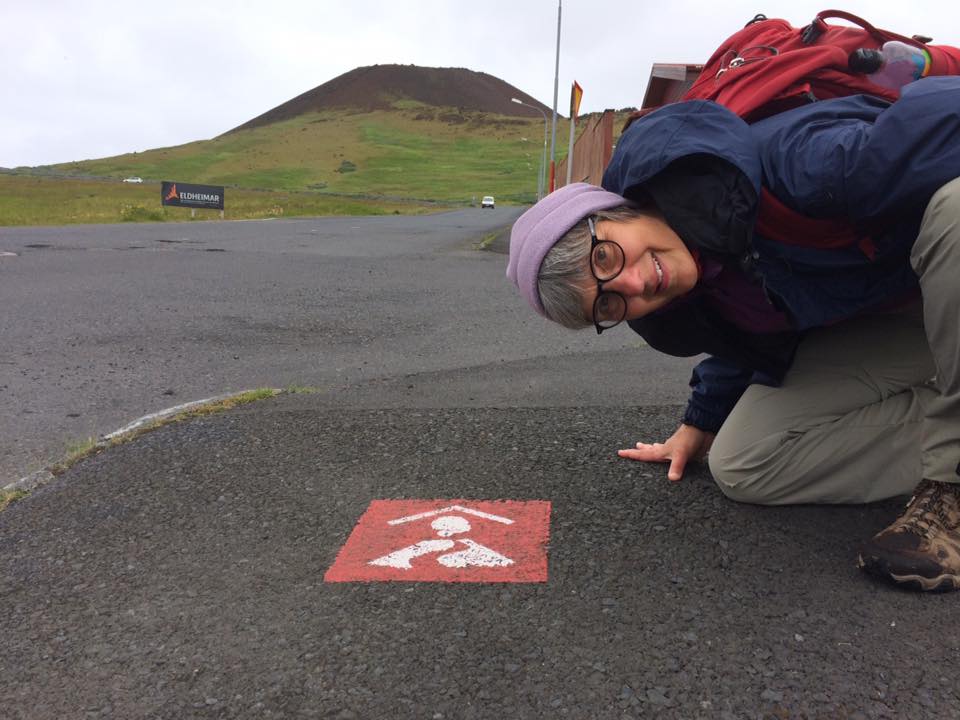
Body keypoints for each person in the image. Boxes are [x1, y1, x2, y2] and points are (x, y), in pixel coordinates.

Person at [506, 75, 960, 592]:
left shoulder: (801, 166)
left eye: (605, 256)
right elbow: (747, 325)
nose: (632, 285)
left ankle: (952, 481)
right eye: (608, 303)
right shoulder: (693, 285)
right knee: (743, 462)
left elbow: (940, 113)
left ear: (620, 209)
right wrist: (701, 419)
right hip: (914, 321)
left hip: (943, 280)